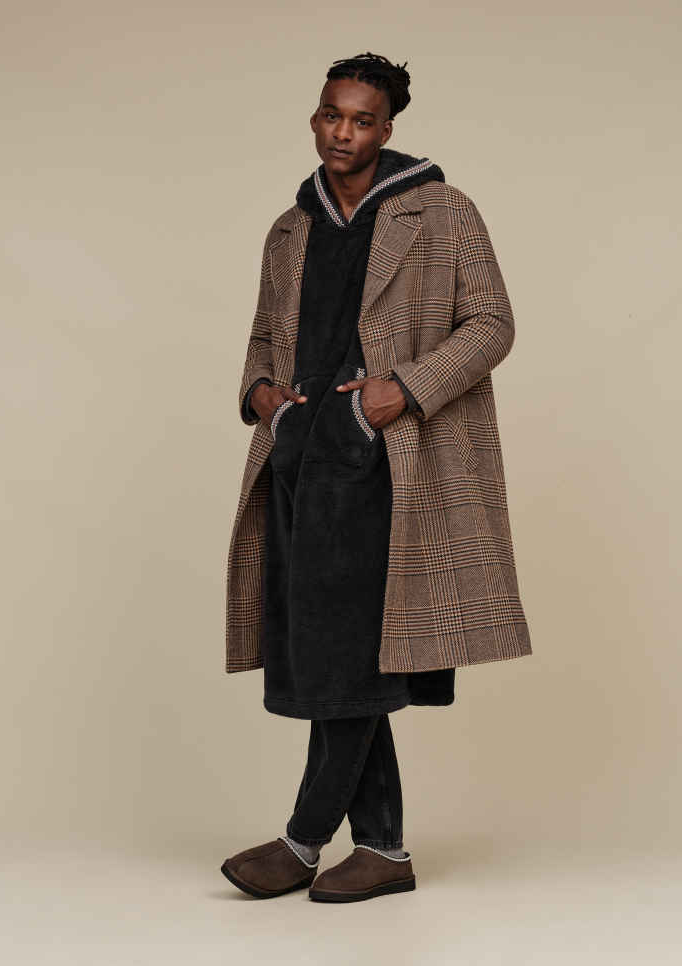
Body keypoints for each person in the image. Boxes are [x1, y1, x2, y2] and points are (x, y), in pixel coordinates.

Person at [222, 52, 532, 902]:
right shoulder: (290, 229)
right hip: (299, 466)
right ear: (315, 118)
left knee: (350, 660)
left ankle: (302, 840)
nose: (343, 133)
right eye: (332, 115)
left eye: (362, 120)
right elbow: (263, 338)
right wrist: (261, 395)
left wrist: (405, 390)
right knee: (336, 659)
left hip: (391, 467)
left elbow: (493, 323)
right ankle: (385, 852)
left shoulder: (442, 210)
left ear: (387, 129)